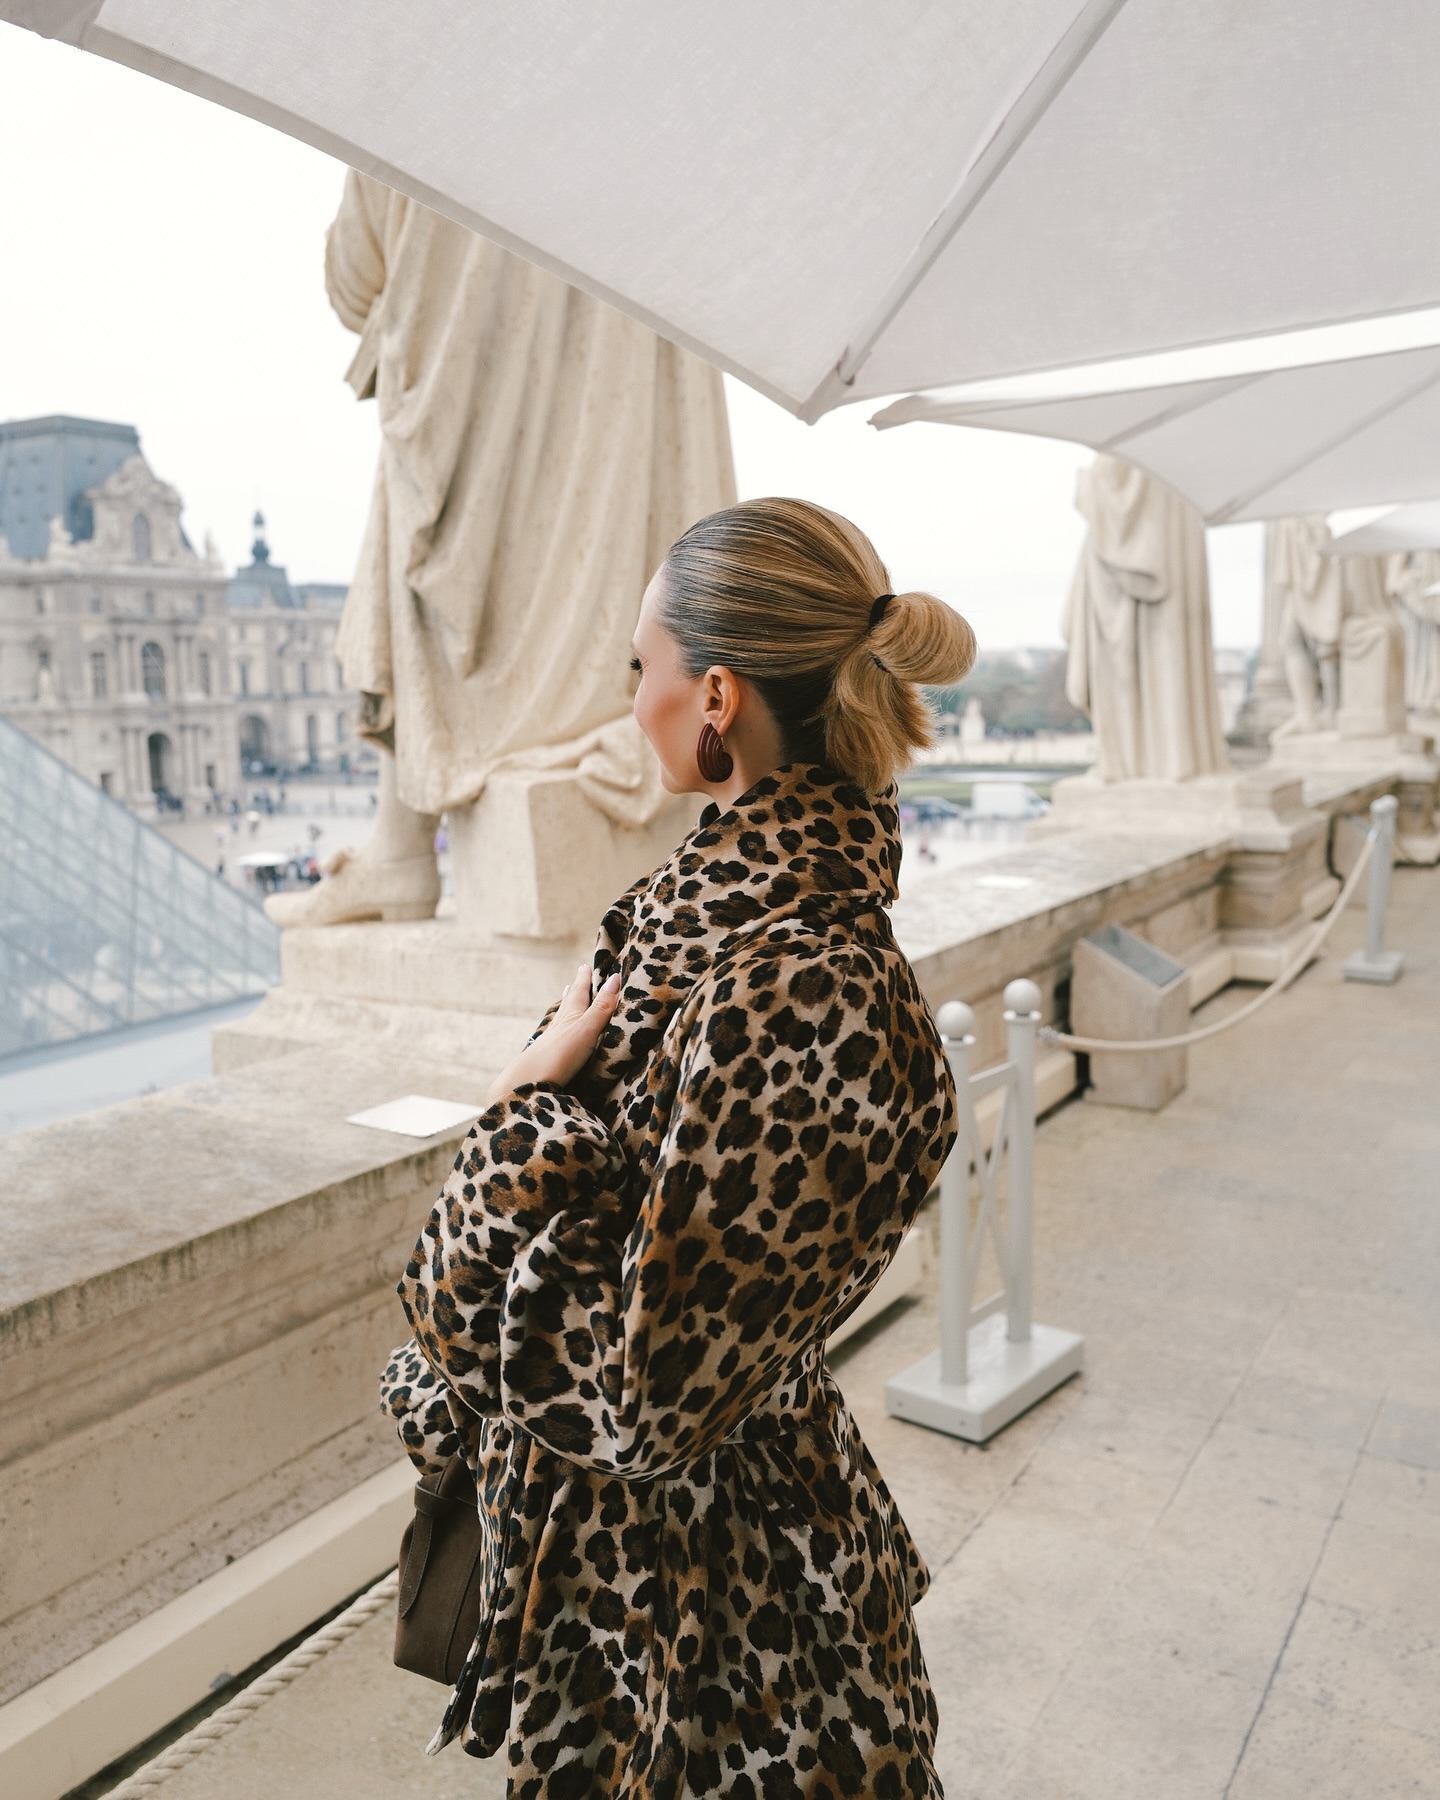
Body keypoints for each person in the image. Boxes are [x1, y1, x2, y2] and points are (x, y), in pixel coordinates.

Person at [381, 498, 976, 1798]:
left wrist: (517, 1116)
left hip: (731, 1653)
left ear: (714, 697)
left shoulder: (803, 988)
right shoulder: (692, 930)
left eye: (638, 665)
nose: (628, 698)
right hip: (635, 1610)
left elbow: (642, 1395)